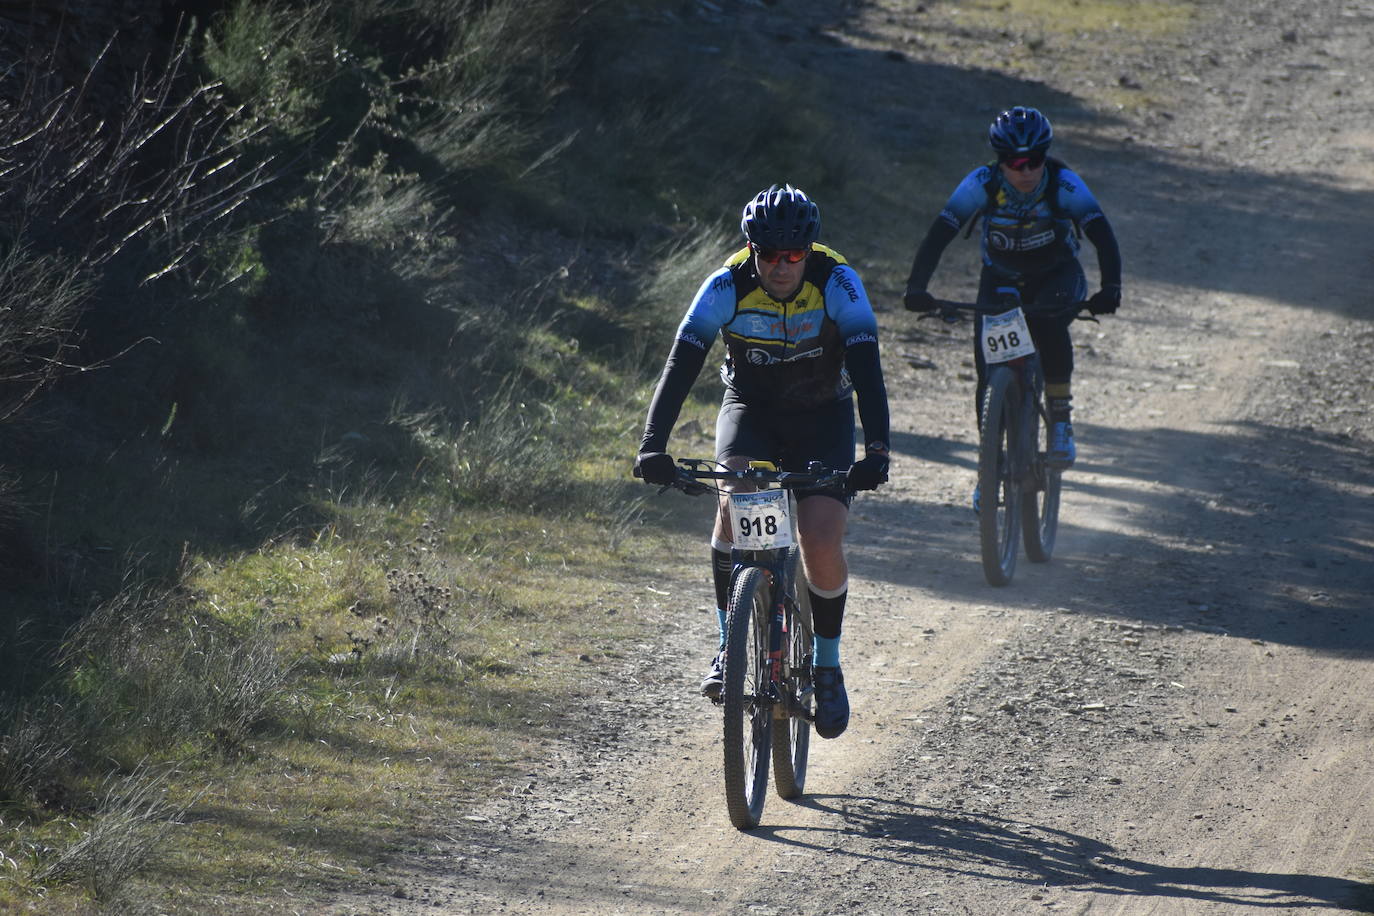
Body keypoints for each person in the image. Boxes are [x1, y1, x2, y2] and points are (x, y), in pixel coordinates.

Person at [634, 184, 891, 740]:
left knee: (821, 536)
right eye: (768, 254)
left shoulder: (837, 281)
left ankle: (826, 664)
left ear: (808, 252)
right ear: (751, 249)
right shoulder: (726, 284)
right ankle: (730, 645)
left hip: (822, 414)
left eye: (792, 255)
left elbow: (869, 368)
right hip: (752, 410)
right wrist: (652, 444)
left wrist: (877, 452)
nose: (780, 266)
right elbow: (681, 362)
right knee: (736, 502)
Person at [902, 106, 1121, 511]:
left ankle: (1060, 417)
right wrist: (917, 287)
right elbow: (939, 234)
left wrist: (1111, 288)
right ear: (999, 161)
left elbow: (1102, 235)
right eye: (1014, 162)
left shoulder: (1064, 184)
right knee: (988, 377)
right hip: (1001, 277)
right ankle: (991, 467)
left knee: (1052, 325)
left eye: (1034, 159)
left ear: (1045, 156)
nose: (1025, 170)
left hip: (1057, 275)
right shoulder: (980, 184)